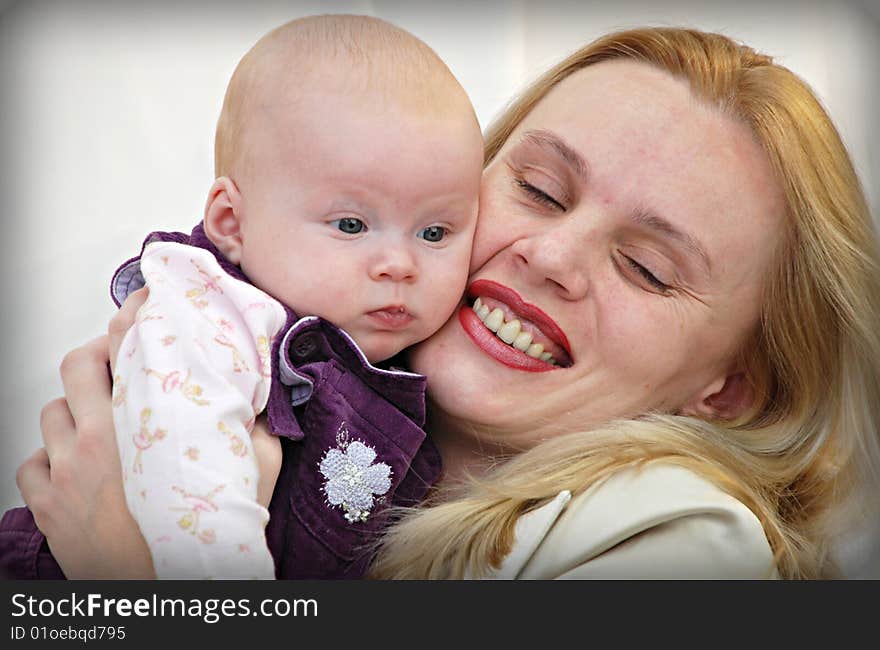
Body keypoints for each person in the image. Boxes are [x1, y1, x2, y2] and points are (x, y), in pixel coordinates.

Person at [4, 26, 879, 579]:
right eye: (537, 188)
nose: (548, 254)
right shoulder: (262, 331)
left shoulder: (683, 543)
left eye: (647, 268)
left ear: (727, 392)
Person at [22, 15, 482, 580]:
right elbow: (185, 456)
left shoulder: (396, 354)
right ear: (232, 223)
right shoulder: (209, 312)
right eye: (350, 224)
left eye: (434, 233)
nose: (400, 265)